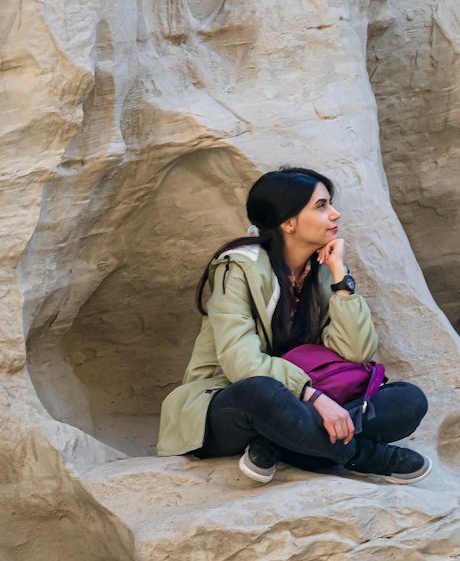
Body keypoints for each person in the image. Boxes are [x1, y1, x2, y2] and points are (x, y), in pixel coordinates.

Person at [156, 167, 431, 484]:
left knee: (407, 401)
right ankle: (364, 456)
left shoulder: (324, 270)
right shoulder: (238, 268)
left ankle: (280, 443)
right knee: (262, 392)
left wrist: (340, 278)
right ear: (287, 222)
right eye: (321, 205)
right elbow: (241, 364)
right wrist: (313, 397)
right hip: (231, 404)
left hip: (302, 405)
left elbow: (357, 351)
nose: (335, 213)